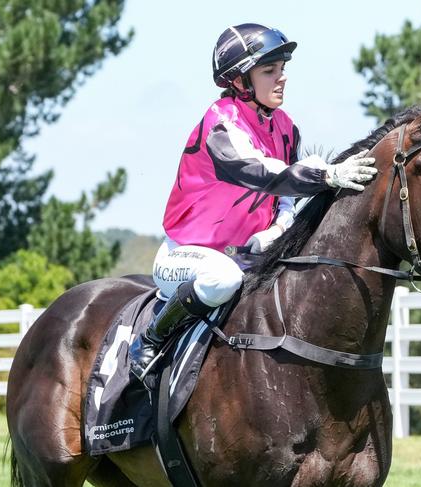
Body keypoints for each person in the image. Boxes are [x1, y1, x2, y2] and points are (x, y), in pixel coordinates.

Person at [129, 23, 378, 384]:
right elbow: (265, 173)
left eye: (282, 69)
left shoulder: (286, 128)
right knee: (222, 278)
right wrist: (326, 177)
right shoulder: (220, 125)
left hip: (247, 254)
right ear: (240, 80)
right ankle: (151, 339)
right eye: (269, 71)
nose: (282, 78)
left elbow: (287, 198)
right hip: (187, 256)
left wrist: (278, 228)